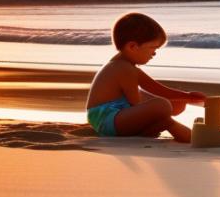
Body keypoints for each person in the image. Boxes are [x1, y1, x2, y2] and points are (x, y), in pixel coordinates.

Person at [86, 12, 204, 143]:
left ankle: (155, 128)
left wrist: (187, 96)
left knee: (169, 105)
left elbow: (156, 89)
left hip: (114, 117)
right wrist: (163, 108)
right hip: (107, 120)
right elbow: (135, 103)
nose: (154, 53)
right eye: (152, 48)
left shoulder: (128, 66)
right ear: (132, 47)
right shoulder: (123, 69)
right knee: (162, 105)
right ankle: (196, 137)